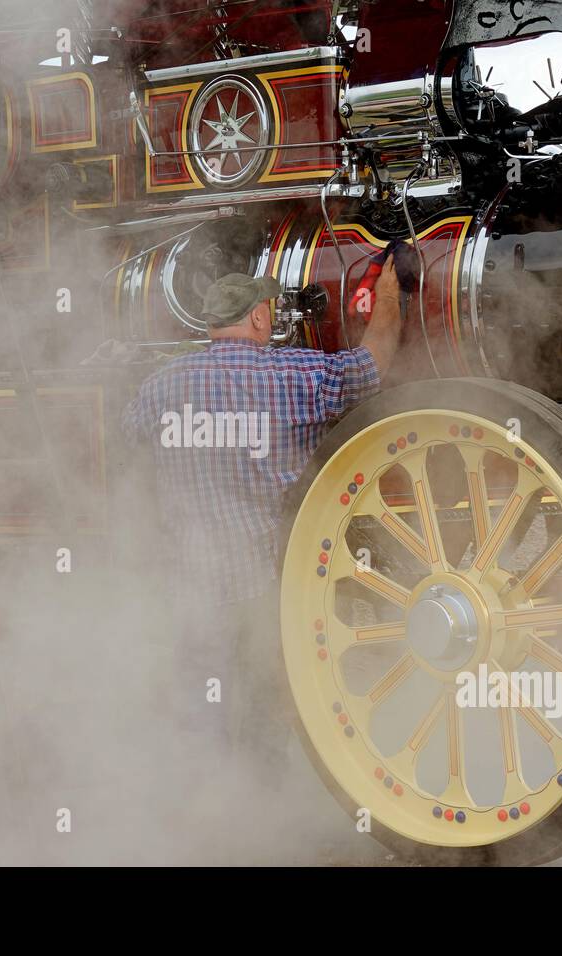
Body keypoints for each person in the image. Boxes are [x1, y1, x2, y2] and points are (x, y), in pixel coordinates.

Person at [122, 259, 404, 784]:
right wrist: (388, 295)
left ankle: (202, 811)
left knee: (199, 704)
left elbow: (131, 445)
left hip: (188, 580)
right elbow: (372, 364)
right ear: (257, 319)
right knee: (266, 707)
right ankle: (260, 807)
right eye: (268, 311)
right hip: (266, 586)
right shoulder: (293, 375)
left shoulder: (159, 388)